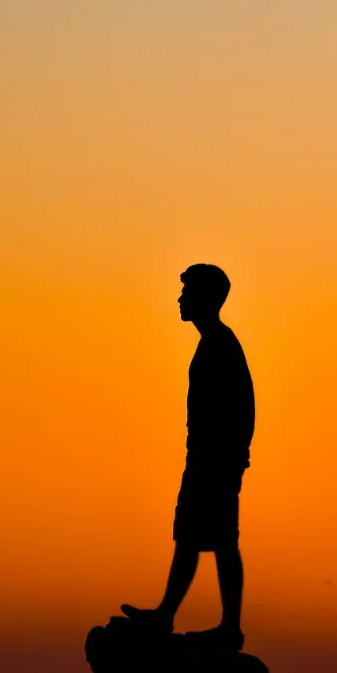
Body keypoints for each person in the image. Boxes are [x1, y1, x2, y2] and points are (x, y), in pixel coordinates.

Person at [121, 263, 255, 650]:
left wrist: (232, 459)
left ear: (205, 297)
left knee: (220, 541)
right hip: (204, 460)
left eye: (187, 291)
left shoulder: (221, 345)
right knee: (191, 538)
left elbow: (243, 407)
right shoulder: (212, 344)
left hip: (215, 463)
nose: (180, 298)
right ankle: (168, 615)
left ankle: (228, 626)